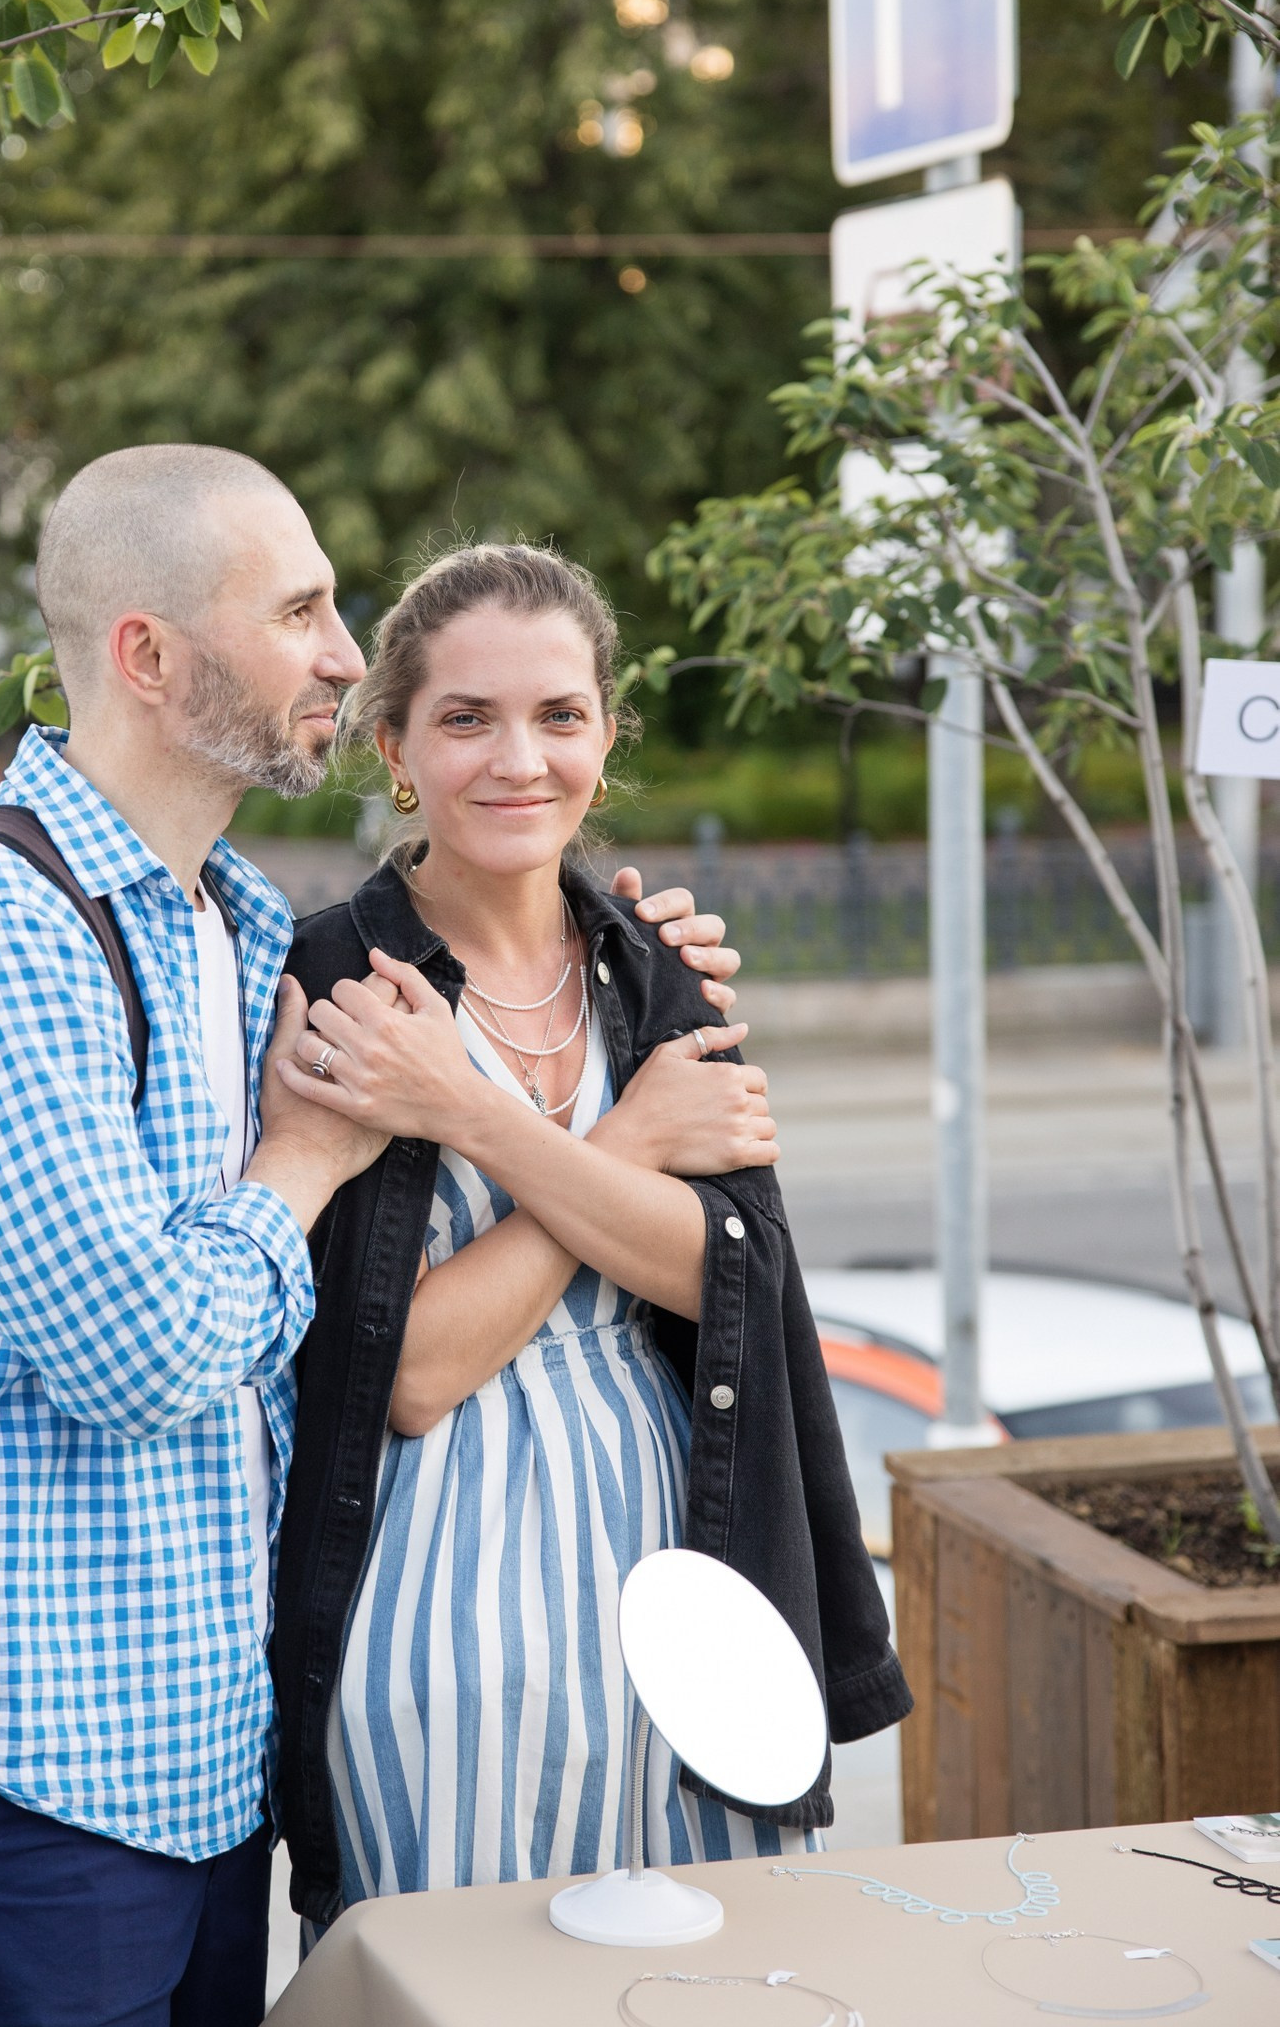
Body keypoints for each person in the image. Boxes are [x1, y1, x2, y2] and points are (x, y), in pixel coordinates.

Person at [0, 450, 735, 2027]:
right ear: (150, 655)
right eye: (301, 611)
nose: (342, 654)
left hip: (211, 1756)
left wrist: (617, 940)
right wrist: (300, 1157)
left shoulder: (233, 927)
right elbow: (144, 1355)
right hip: (31, 1758)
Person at [271, 545, 911, 1933]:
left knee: (715, 1989)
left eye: (559, 716)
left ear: (607, 738)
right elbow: (411, 1372)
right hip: (436, 1600)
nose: (520, 760)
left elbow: (725, 1281)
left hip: (689, 1553)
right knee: (464, 1995)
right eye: (467, 718)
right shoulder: (331, 979)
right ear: (394, 748)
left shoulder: (658, 968)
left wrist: (472, 1118)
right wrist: (622, 1150)